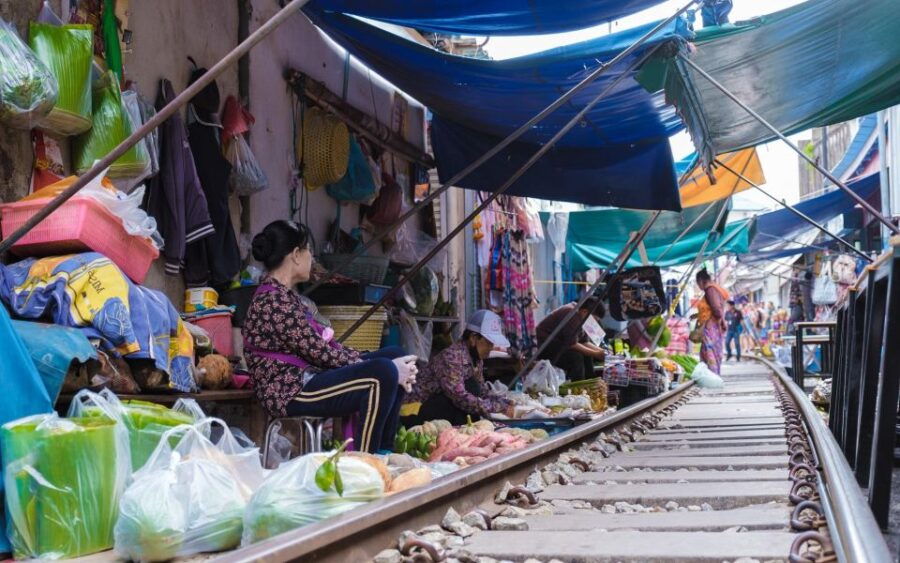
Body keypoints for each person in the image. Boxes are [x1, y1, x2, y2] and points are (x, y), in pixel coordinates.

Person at [242, 220, 417, 454]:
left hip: (307, 377)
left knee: (395, 355)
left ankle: (385, 453)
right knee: (383, 372)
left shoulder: (286, 296)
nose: (311, 258)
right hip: (289, 391)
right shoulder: (273, 301)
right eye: (309, 251)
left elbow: (323, 350)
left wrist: (372, 361)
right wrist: (379, 366)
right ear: (296, 255)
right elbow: (320, 353)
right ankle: (366, 460)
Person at [402, 310, 514, 426]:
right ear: (473, 338)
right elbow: (460, 398)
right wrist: (496, 407)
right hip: (415, 411)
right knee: (470, 389)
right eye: (489, 343)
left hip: (440, 407)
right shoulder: (452, 357)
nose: (491, 348)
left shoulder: (476, 359)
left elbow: (482, 392)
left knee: (474, 387)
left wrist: (502, 402)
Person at [535, 297, 606, 382]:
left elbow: (584, 342)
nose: (594, 323)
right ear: (585, 312)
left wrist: (601, 351)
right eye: (594, 319)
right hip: (545, 346)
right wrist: (596, 353)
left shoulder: (581, 315)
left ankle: (590, 381)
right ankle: (578, 386)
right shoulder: (571, 313)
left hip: (560, 345)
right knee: (576, 357)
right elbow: (572, 344)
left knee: (587, 355)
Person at [695, 268, 728, 374]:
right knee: (711, 353)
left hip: (711, 327)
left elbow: (717, 309)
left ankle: (713, 375)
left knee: (710, 353)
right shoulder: (715, 288)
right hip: (715, 326)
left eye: (697, 283)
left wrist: (715, 319)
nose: (698, 286)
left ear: (701, 281)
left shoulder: (710, 290)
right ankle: (713, 375)